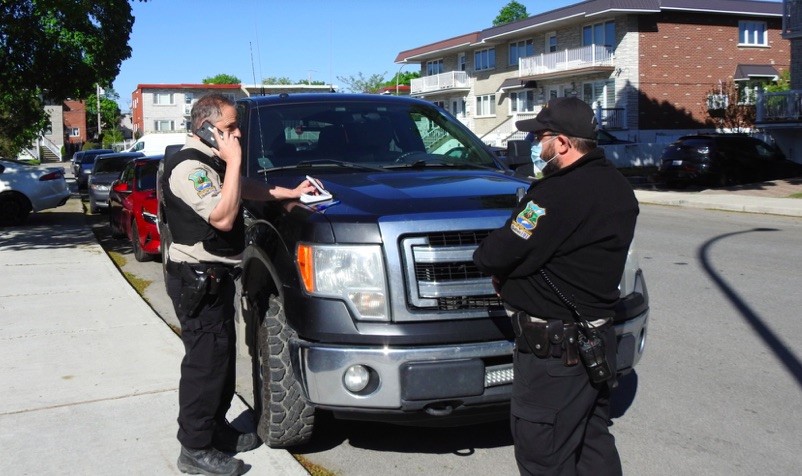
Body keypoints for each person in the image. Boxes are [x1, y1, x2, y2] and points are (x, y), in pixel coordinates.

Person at [473, 97, 639, 475]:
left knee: (543, 455)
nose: (535, 145)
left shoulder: (552, 195)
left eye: (540, 137)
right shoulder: (617, 187)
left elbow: (496, 254)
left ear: (562, 143)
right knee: (592, 442)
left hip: (554, 355)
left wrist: (505, 274)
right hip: (596, 340)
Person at [161, 93, 316, 476]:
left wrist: (289, 193)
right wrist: (232, 162)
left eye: (236, 128)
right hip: (196, 279)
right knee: (204, 366)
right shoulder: (188, 169)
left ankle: (216, 430)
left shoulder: (210, 161)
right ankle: (194, 449)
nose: (237, 134)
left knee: (222, 361)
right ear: (205, 128)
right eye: (229, 128)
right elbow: (224, 217)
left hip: (214, 279)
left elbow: (243, 187)